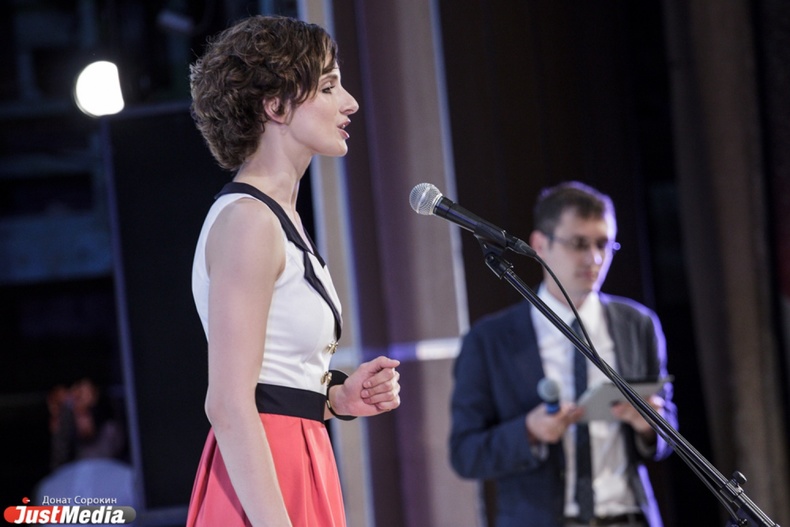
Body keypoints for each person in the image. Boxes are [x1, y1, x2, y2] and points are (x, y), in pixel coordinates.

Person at [185, 15, 401, 527]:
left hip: (298, 452)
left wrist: (338, 398)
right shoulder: (249, 221)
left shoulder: (277, 218)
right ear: (275, 106)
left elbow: (274, 380)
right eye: (328, 87)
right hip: (266, 473)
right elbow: (228, 404)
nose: (349, 102)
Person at [449, 181, 677, 527]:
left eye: (603, 244)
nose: (594, 258)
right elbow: (465, 454)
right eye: (579, 244)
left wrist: (650, 425)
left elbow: (668, 432)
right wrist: (528, 431)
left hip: (628, 516)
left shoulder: (638, 324)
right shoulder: (489, 340)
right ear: (540, 244)